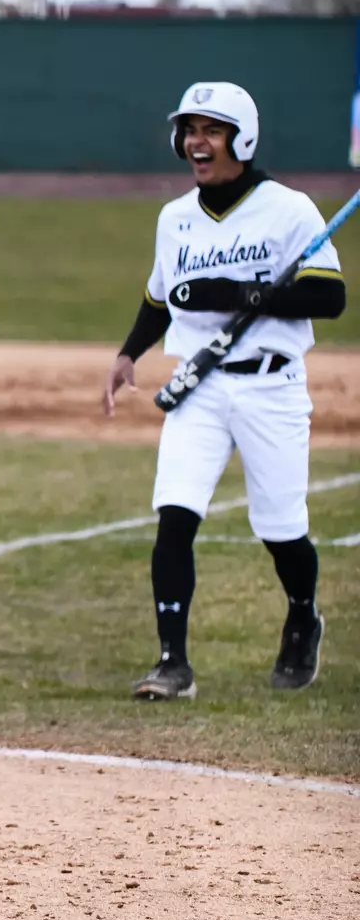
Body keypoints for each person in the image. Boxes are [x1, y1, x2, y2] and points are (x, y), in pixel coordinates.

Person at [102, 82, 345, 701]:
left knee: (281, 530)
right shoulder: (175, 218)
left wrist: (242, 294)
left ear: (242, 137)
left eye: (209, 130)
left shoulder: (289, 209)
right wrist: (131, 352)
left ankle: (302, 616)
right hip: (200, 390)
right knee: (175, 516)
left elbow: (330, 296)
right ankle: (171, 663)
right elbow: (161, 296)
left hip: (272, 388)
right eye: (188, 131)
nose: (195, 143)